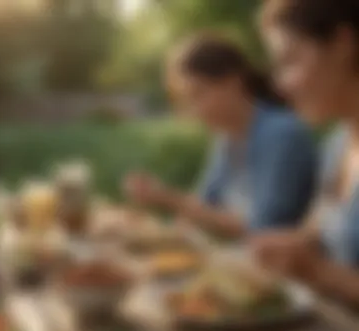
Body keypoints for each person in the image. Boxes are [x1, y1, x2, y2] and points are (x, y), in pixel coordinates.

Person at [124, 33, 317, 240]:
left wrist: (171, 200)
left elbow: (263, 228)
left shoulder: (281, 134)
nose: (193, 112)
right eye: (187, 100)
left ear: (233, 82)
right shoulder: (227, 138)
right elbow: (205, 206)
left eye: (198, 94)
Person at [252, 0, 359, 304]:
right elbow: (316, 235)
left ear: (342, 44)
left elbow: (319, 266)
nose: (281, 85)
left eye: (290, 61)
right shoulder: (336, 145)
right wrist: (283, 246)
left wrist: (319, 271)